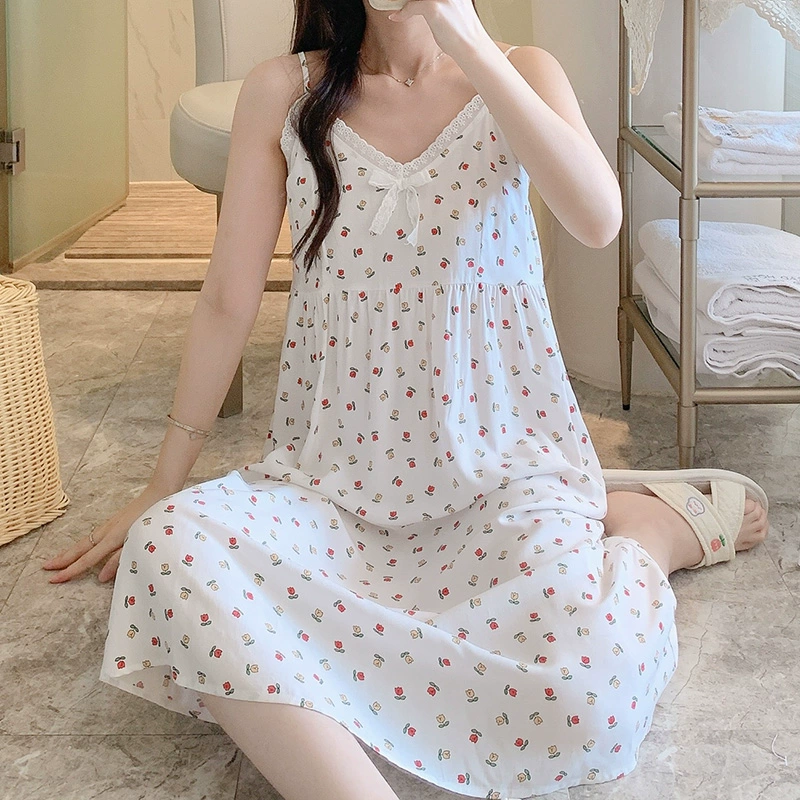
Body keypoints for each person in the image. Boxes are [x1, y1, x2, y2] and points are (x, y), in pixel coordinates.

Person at [42, 2, 770, 799]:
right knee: (167, 545)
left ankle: (650, 535)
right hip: (331, 491)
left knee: (586, 698)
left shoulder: (519, 73)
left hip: (500, 482)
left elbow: (597, 219)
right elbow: (226, 299)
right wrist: (162, 483)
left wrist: (466, 37)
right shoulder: (285, 92)